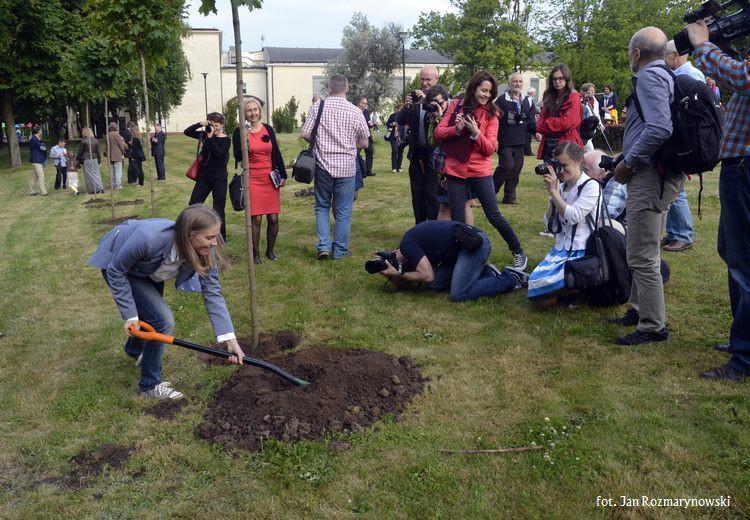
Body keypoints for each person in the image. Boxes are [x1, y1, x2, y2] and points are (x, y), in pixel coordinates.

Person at [87, 204, 245, 400]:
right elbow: (116, 270)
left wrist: (229, 339)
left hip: (149, 269)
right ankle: (149, 385)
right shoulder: (148, 239)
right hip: (120, 264)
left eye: (216, 237)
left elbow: (212, 291)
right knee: (162, 320)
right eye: (209, 237)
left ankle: (134, 349)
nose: (214, 243)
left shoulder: (205, 251)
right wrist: (130, 315)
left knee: (151, 316)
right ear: (189, 235)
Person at [609, 26, 683, 346]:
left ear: (636, 53)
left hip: (649, 176)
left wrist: (629, 162)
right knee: (644, 247)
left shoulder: (649, 77)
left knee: (642, 253)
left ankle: (653, 326)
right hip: (659, 173)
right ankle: (639, 309)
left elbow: (659, 128)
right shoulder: (667, 74)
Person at [686, 20, 750, 381]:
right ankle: (742, 337)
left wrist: (703, 45)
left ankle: (745, 357)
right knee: (732, 251)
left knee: (744, 261)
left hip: (745, 163)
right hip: (740, 162)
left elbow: (744, 78)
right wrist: (725, 48)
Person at [434, 70, 528, 270]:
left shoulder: (492, 114)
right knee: (458, 220)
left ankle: (518, 251)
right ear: (473, 88)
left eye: (490, 92)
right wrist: (457, 129)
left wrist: (476, 133)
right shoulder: (455, 105)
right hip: (455, 171)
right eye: (483, 90)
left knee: (494, 215)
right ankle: (461, 259)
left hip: (480, 171)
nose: (486, 95)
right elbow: (438, 132)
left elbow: (490, 149)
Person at [301, 74, 370, 260]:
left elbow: (305, 133)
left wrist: (319, 142)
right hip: (347, 167)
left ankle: (323, 246)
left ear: (329, 89)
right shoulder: (355, 111)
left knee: (322, 206)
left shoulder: (318, 107)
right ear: (346, 89)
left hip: (323, 165)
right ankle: (340, 251)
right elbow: (364, 143)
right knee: (343, 211)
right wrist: (350, 145)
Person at [375, 220, 528, 302]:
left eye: (394, 258)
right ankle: (486, 273)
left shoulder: (407, 245)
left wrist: (398, 274)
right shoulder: (411, 247)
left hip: (474, 244)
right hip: (460, 249)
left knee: (459, 294)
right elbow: (412, 284)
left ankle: (511, 278)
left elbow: (427, 275)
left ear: (396, 251)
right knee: (435, 285)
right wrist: (390, 274)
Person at [528, 142, 601, 306]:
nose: (560, 170)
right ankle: (572, 290)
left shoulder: (591, 186)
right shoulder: (561, 187)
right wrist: (554, 195)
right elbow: (550, 225)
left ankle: (579, 289)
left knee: (542, 294)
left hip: (582, 251)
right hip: (561, 248)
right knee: (535, 289)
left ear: (578, 160)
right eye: (557, 165)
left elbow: (573, 217)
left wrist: (554, 193)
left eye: (564, 165)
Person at [661, 39, 704, 253]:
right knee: (673, 185)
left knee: (677, 187)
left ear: (674, 55)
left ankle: (682, 235)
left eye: (665, 56)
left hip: (684, 139)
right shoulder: (683, 75)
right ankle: (674, 232)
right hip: (679, 138)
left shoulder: (690, 75)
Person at [232, 97, 287, 264]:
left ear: (259, 111)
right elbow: (237, 157)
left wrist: (283, 174)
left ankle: (270, 251)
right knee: (256, 219)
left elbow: (276, 152)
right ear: (244, 113)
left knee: (273, 218)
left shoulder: (268, 129)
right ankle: (255, 254)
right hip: (252, 178)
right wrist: (245, 138)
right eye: (249, 110)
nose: (253, 113)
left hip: (270, 178)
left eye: (255, 109)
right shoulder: (239, 132)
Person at [398, 65, 441, 224]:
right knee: (417, 194)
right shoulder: (415, 97)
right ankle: (420, 226)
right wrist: (407, 107)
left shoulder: (442, 98)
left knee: (431, 194)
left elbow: (441, 117)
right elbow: (401, 120)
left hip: (435, 156)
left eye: (428, 79)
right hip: (417, 155)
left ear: (436, 79)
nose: (424, 83)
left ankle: (433, 227)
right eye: (422, 79)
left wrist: (427, 100)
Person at [185, 113, 231, 241]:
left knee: (218, 208)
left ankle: (221, 237)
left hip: (219, 178)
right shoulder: (205, 134)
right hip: (204, 176)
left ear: (222, 125)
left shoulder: (226, 140)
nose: (214, 128)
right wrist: (199, 124)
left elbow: (219, 154)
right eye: (212, 125)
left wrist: (210, 139)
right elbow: (187, 132)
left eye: (217, 126)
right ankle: (194, 231)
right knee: (194, 204)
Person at [493, 72, 536, 204]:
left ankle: (509, 196)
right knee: (507, 165)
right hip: (504, 139)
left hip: (520, 140)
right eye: (515, 81)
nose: (518, 84)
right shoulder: (501, 100)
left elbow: (530, 120)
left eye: (520, 81)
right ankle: (489, 193)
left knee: (516, 167)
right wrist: (494, 138)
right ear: (509, 83)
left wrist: (536, 131)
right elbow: (494, 120)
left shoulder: (527, 101)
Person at [536, 64, 583, 162]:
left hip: (567, 143)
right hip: (548, 144)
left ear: (566, 79)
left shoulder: (573, 97)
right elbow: (540, 125)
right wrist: (553, 123)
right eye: (554, 79)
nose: (557, 81)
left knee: (565, 171)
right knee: (549, 171)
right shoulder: (549, 97)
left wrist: (547, 123)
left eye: (560, 78)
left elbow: (568, 123)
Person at [583, 149, 628, 222]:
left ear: (601, 173)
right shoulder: (595, 184)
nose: (581, 173)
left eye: (585, 170)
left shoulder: (616, 184)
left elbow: (604, 215)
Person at [77, 127, 104, 194]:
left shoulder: (83, 141)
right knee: (96, 174)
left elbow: (80, 152)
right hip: (94, 159)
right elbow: (98, 152)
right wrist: (99, 161)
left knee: (89, 175)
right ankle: (100, 188)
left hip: (86, 159)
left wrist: (78, 160)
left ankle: (93, 189)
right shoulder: (95, 140)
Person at [580, 82, 604, 152]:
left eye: (593, 90)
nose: (593, 92)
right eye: (590, 90)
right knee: (589, 148)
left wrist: (600, 124)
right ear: (585, 91)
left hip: (592, 126)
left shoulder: (595, 101)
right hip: (584, 127)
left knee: (586, 146)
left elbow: (597, 114)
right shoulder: (580, 101)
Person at [357, 97, 375, 177]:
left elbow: (368, 122)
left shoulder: (367, 112)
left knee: (369, 152)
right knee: (356, 153)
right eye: (364, 103)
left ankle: (368, 171)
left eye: (366, 103)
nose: (365, 105)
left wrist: (371, 124)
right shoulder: (355, 111)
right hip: (358, 136)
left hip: (367, 135)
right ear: (359, 103)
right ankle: (359, 170)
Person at [29, 125, 48, 196]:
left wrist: (43, 146)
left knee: (35, 176)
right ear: (38, 131)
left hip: (39, 159)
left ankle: (32, 191)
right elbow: (42, 147)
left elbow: (43, 146)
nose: (41, 131)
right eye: (41, 130)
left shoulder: (37, 138)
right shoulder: (34, 139)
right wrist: (44, 146)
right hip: (36, 160)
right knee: (41, 175)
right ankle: (44, 191)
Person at [385, 104, 405, 172]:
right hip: (393, 136)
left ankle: (399, 167)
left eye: (402, 109)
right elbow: (387, 123)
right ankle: (394, 167)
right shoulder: (393, 115)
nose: (400, 110)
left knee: (400, 152)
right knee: (394, 150)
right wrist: (392, 124)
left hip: (402, 136)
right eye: (399, 108)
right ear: (397, 109)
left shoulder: (405, 116)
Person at [106, 122, 126, 189]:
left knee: (112, 171)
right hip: (117, 155)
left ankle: (113, 184)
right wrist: (123, 152)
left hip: (110, 155)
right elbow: (121, 145)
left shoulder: (107, 135)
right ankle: (118, 184)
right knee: (118, 171)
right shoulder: (117, 135)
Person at [522, 87, 538, 156]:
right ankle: (527, 151)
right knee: (528, 137)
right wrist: (530, 118)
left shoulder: (528, 99)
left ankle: (527, 151)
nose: (535, 94)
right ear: (531, 93)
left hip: (529, 121)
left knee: (528, 137)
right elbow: (527, 110)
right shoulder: (528, 99)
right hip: (528, 122)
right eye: (534, 92)